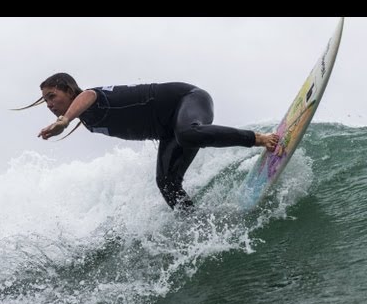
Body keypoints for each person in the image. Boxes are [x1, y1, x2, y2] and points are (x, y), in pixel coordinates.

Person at [17, 72, 279, 210]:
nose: (50, 104)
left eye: (52, 96)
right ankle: (196, 226)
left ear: (69, 90)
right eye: (46, 100)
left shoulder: (89, 98)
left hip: (188, 100)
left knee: (187, 134)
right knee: (166, 183)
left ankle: (259, 139)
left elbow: (88, 96)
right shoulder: (89, 123)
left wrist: (64, 121)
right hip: (170, 130)